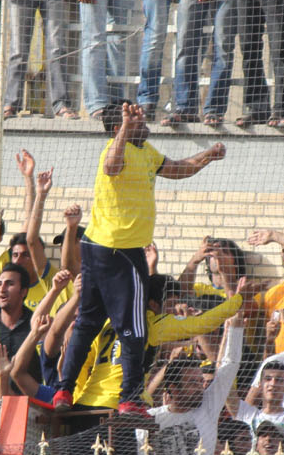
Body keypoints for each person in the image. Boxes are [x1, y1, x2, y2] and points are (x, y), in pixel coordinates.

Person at [52, 102, 225, 415]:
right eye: (138, 119)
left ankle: (63, 391)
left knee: (88, 321)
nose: (145, 122)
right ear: (122, 126)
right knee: (134, 328)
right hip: (122, 251)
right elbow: (110, 167)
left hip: (97, 245)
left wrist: (207, 157)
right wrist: (124, 128)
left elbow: (177, 169)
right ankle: (129, 396)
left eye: (141, 117)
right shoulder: (115, 149)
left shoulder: (146, 150)